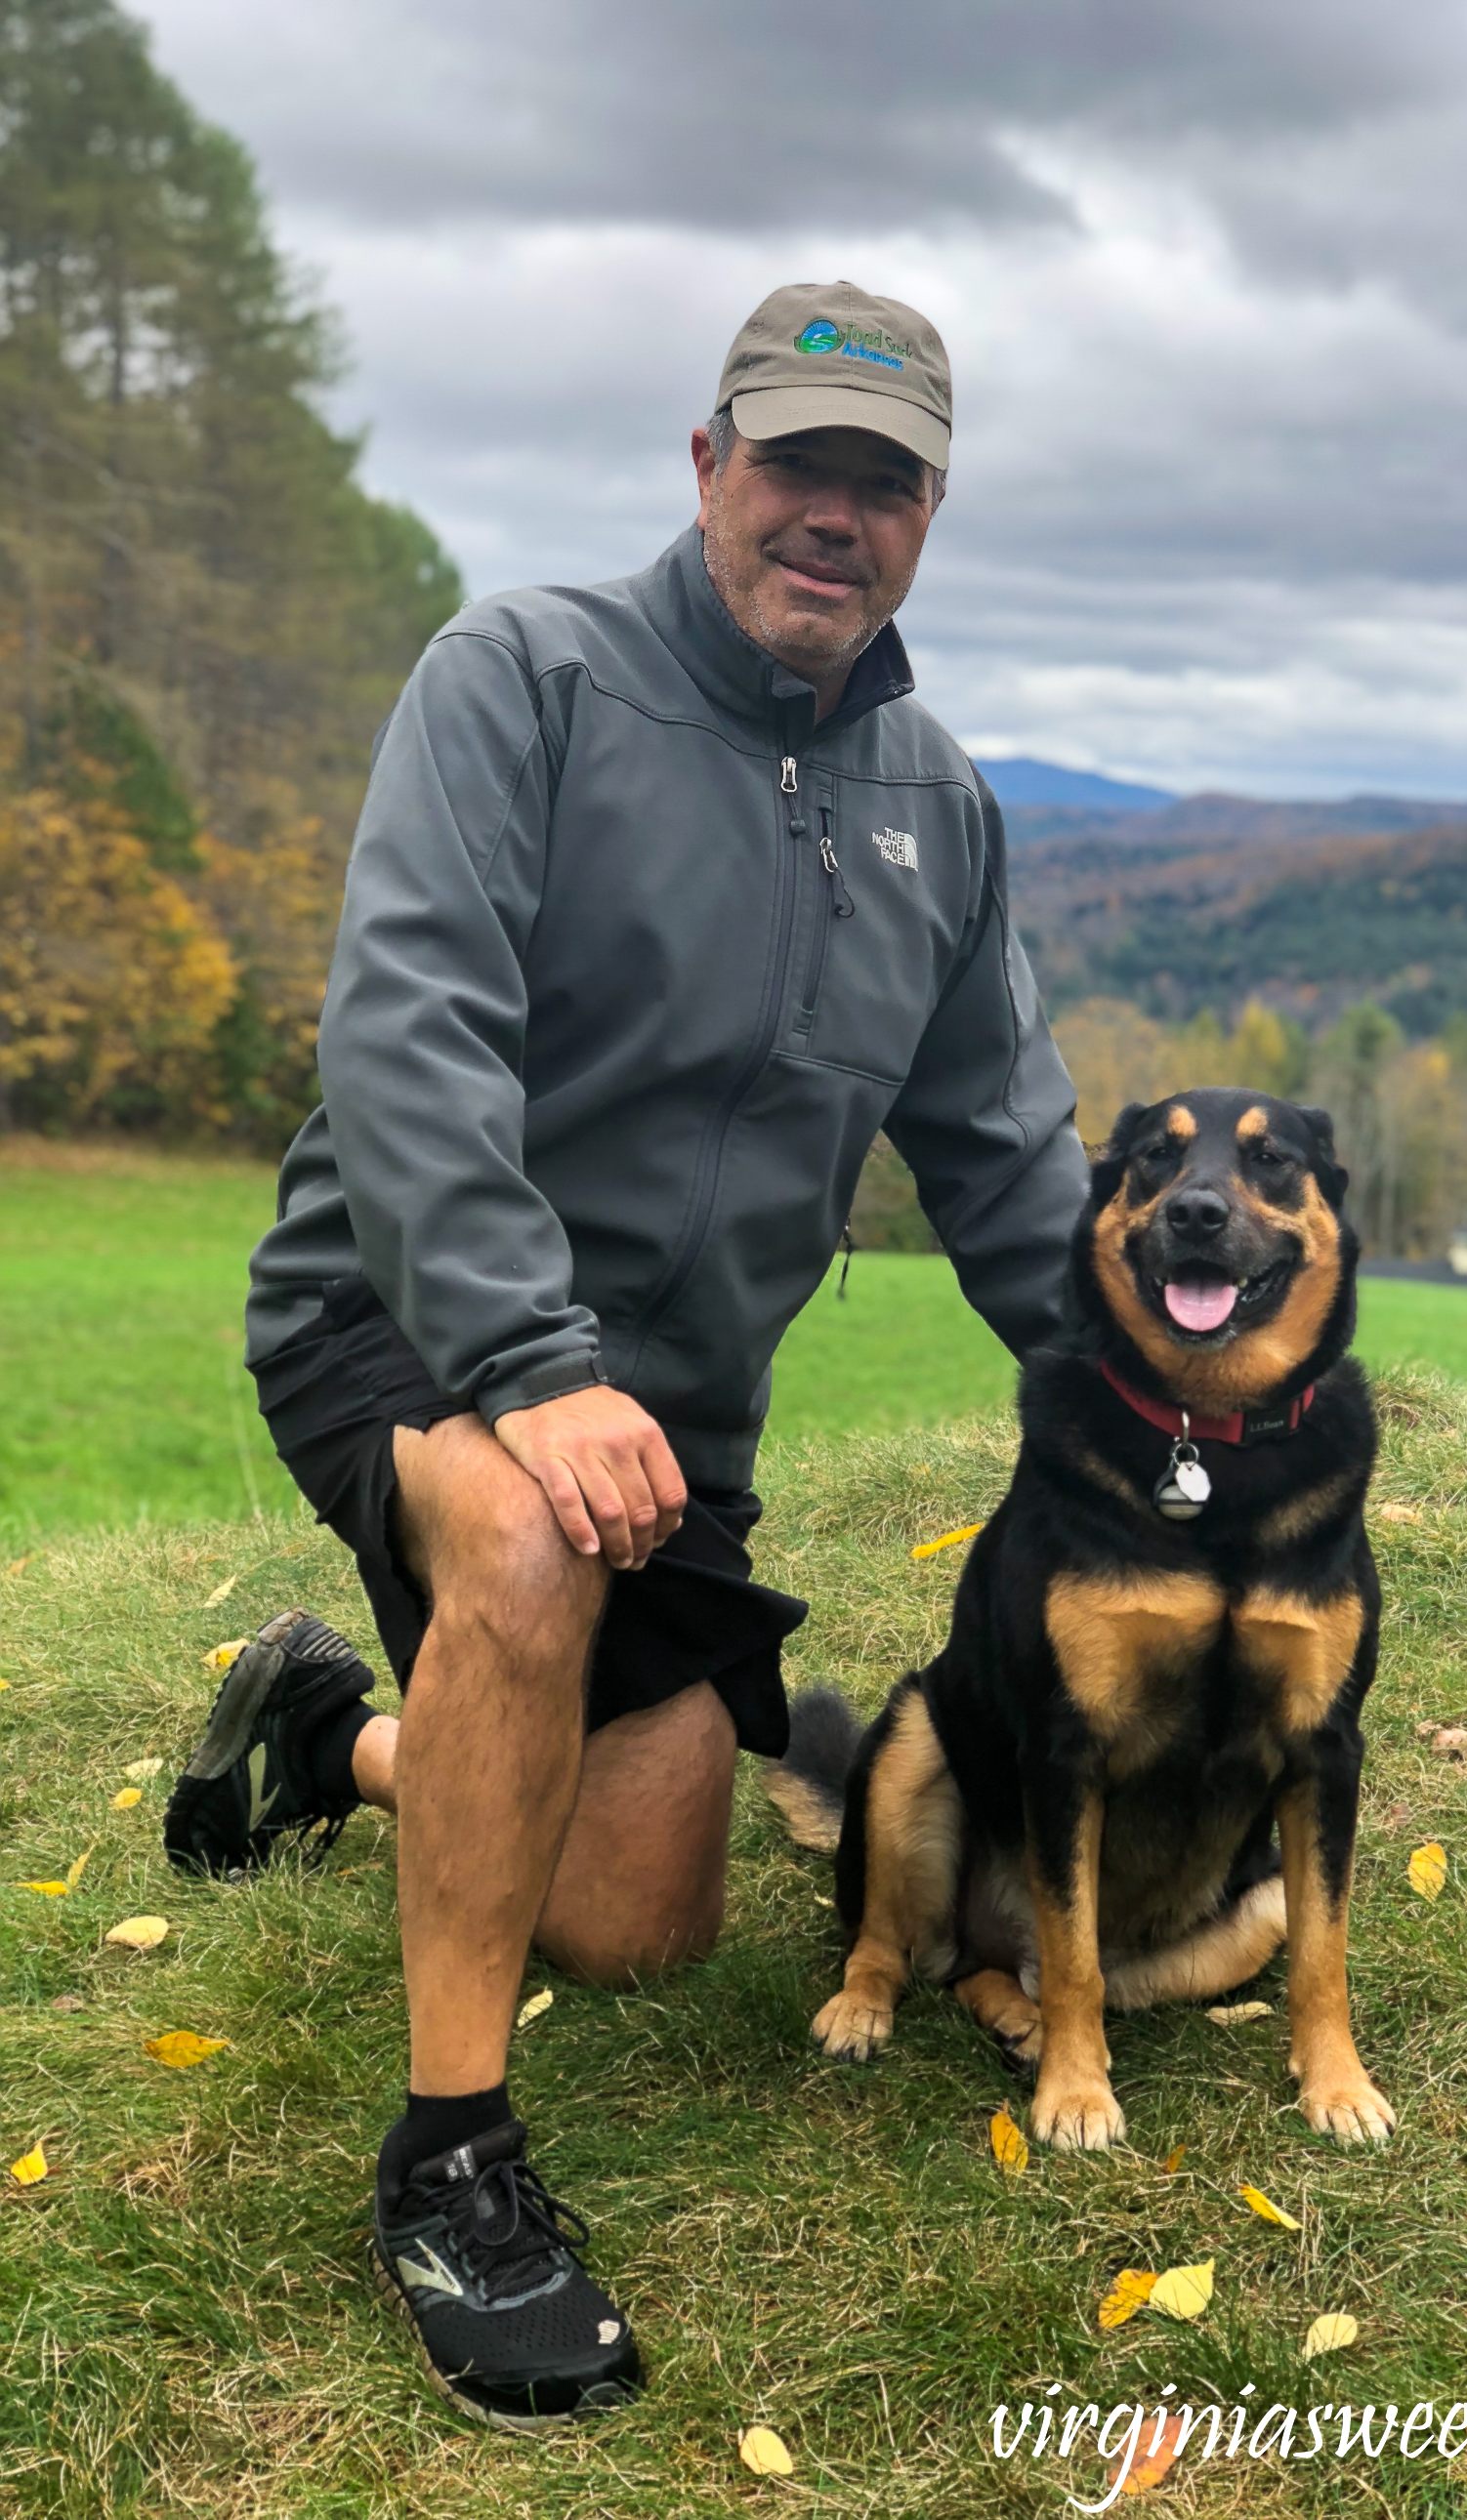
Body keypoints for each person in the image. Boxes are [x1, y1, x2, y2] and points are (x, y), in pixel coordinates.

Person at [161, 281, 1086, 2431]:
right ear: (704, 467)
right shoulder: (524, 678)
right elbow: (406, 1041)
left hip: (671, 1432)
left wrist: (1148, 1418)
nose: (830, 518)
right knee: (519, 1555)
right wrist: (527, 1355)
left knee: (647, 1926)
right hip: (405, 1316)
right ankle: (450, 2163)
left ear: (929, 515)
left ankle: (338, 1740)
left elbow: (1012, 1171)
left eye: (883, 482)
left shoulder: (937, 813)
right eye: (794, 465)